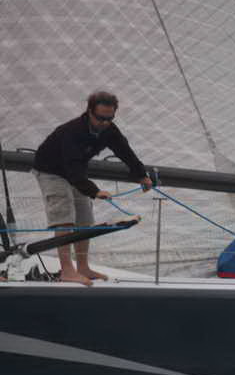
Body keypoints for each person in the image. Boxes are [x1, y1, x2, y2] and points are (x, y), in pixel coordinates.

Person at [32, 91, 152, 285]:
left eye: (109, 118)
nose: (104, 123)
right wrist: (94, 191)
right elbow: (72, 168)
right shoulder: (73, 131)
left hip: (75, 173)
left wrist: (141, 175)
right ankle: (67, 271)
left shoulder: (109, 130)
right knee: (64, 218)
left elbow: (125, 151)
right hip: (51, 171)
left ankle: (83, 267)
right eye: (100, 118)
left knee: (85, 219)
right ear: (89, 111)